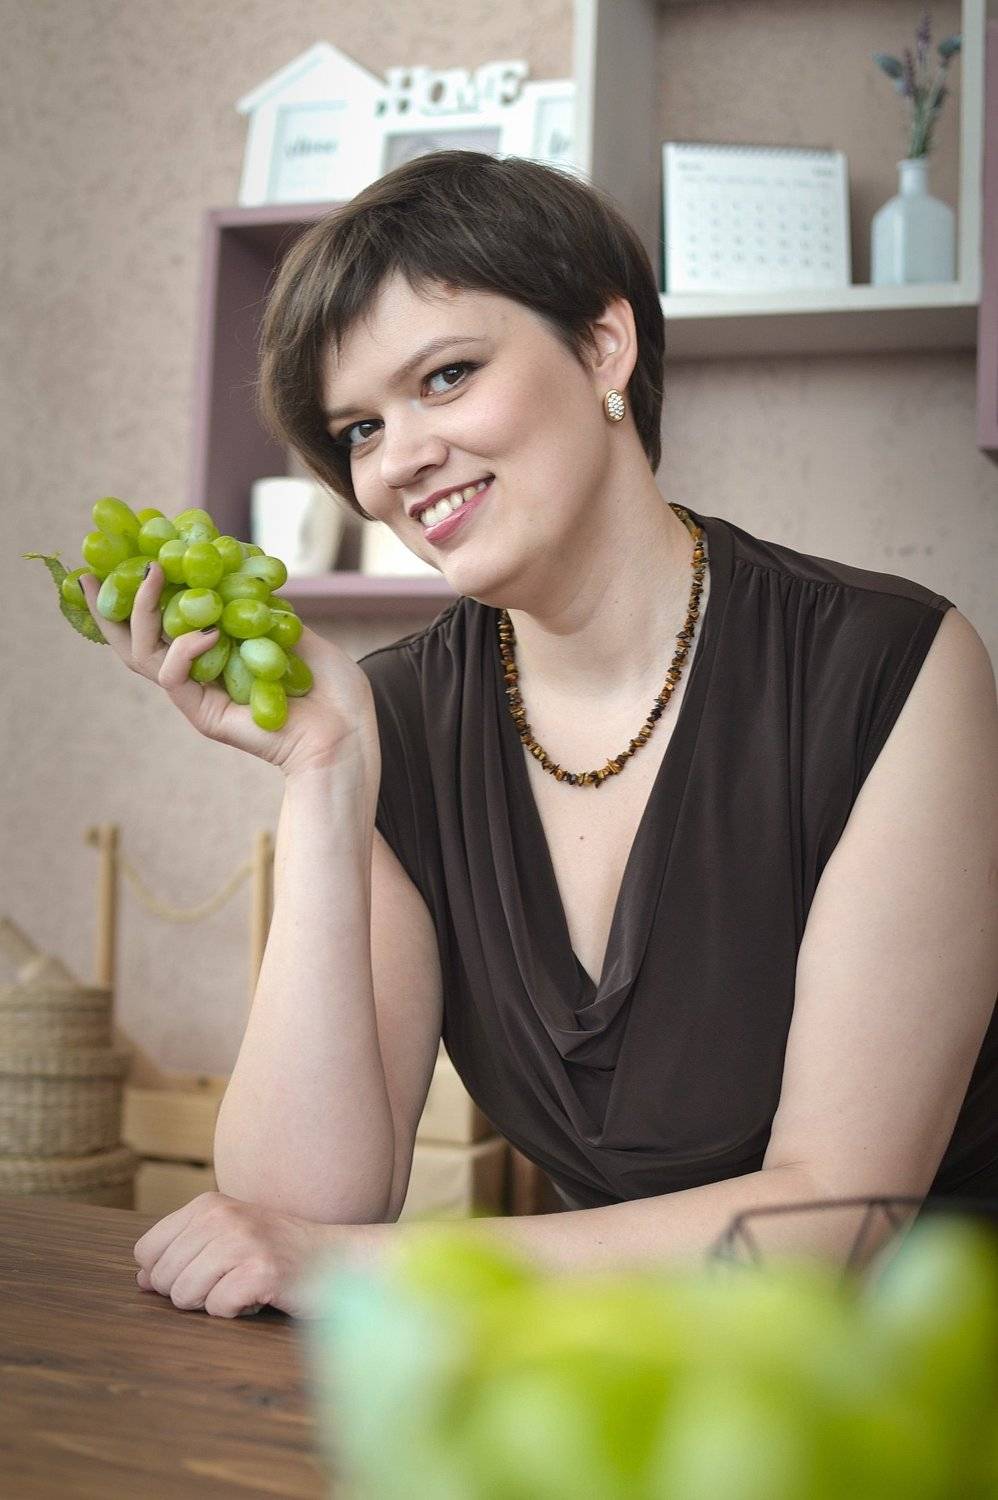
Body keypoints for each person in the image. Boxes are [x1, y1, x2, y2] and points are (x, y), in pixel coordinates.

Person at [82, 151, 997, 1319]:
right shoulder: (391, 719)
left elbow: (831, 1224)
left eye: (446, 375)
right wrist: (322, 778)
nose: (398, 460)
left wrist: (354, 1268)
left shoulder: (889, 667)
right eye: (358, 429)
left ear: (603, 346)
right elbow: (291, 1210)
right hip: (605, 1371)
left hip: (920, 1369)